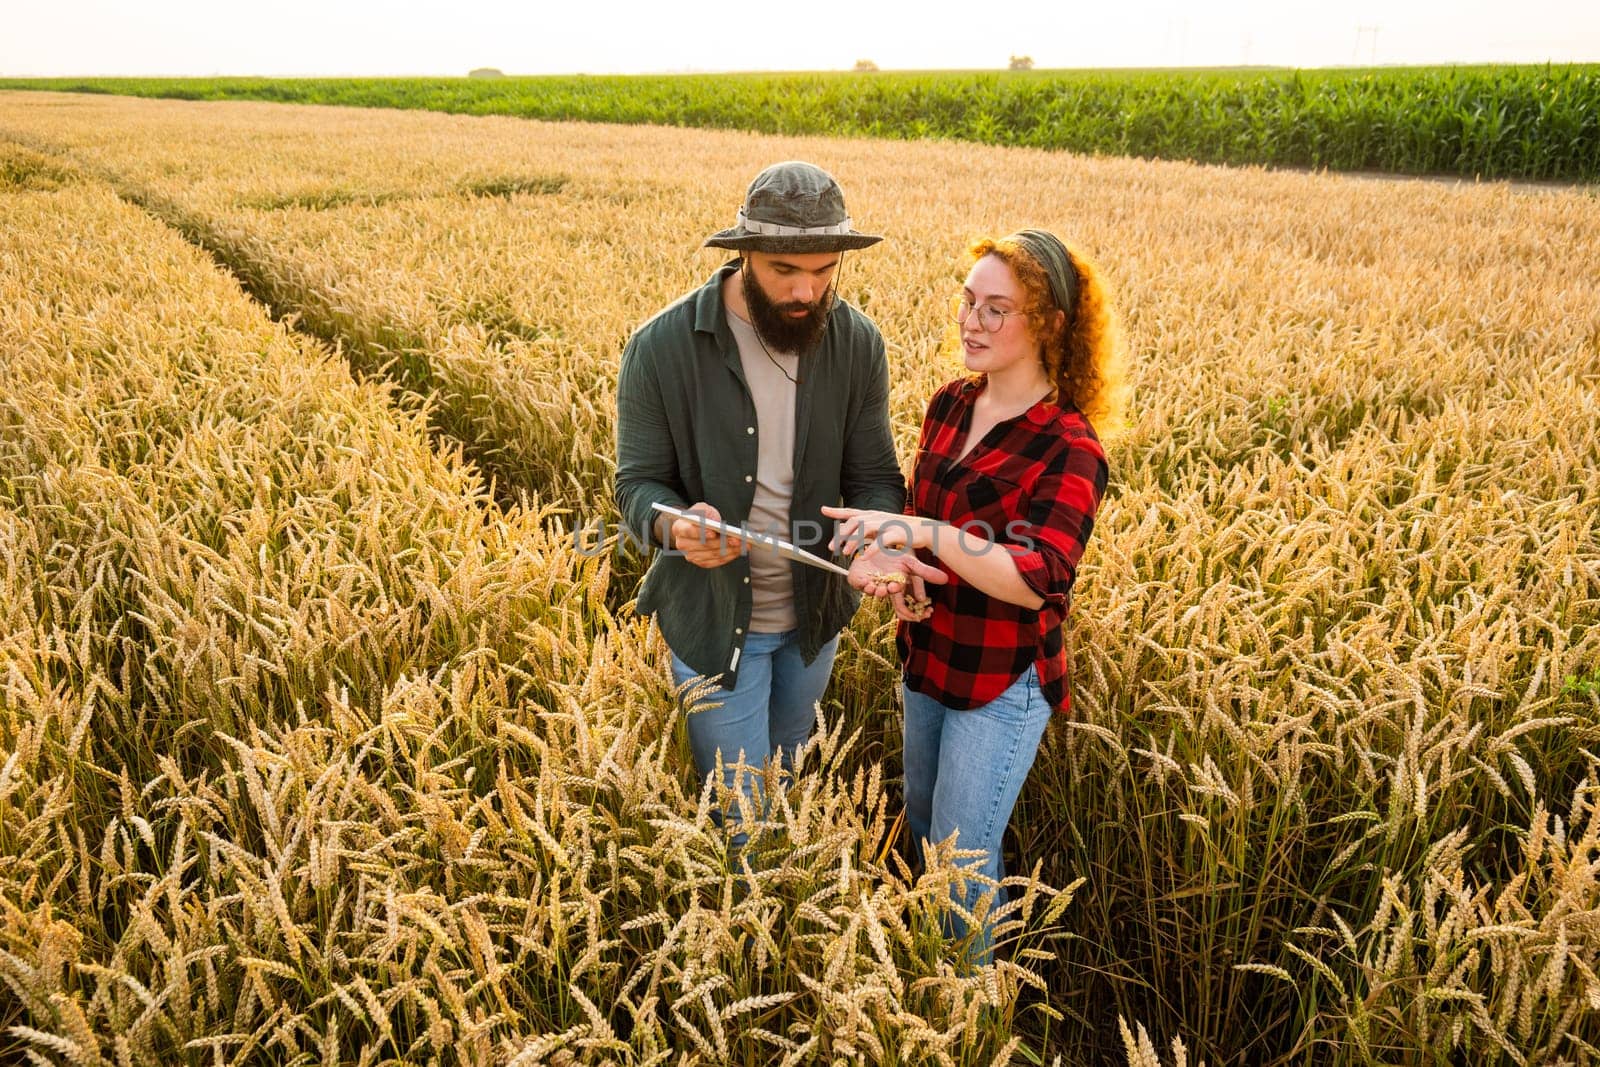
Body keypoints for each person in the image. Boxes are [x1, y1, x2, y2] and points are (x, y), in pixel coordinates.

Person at [824, 229, 1126, 962]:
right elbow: (919, 524)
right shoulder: (951, 404)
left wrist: (923, 529)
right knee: (925, 831)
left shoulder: (1070, 445)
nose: (972, 322)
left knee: (961, 867)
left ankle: (968, 1012)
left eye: (997, 310)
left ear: (1050, 324)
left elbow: (1038, 578)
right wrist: (902, 572)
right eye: (968, 302)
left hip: (1002, 681)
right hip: (928, 655)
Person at [613, 161, 913, 837]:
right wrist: (676, 525)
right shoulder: (661, 347)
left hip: (814, 618)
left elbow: (874, 477)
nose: (808, 290)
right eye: (785, 270)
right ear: (743, 254)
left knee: (788, 782)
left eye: (825, 269)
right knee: (742, 820)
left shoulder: (858, 343)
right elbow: (636, 484)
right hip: (715, 624)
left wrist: (874, 540)